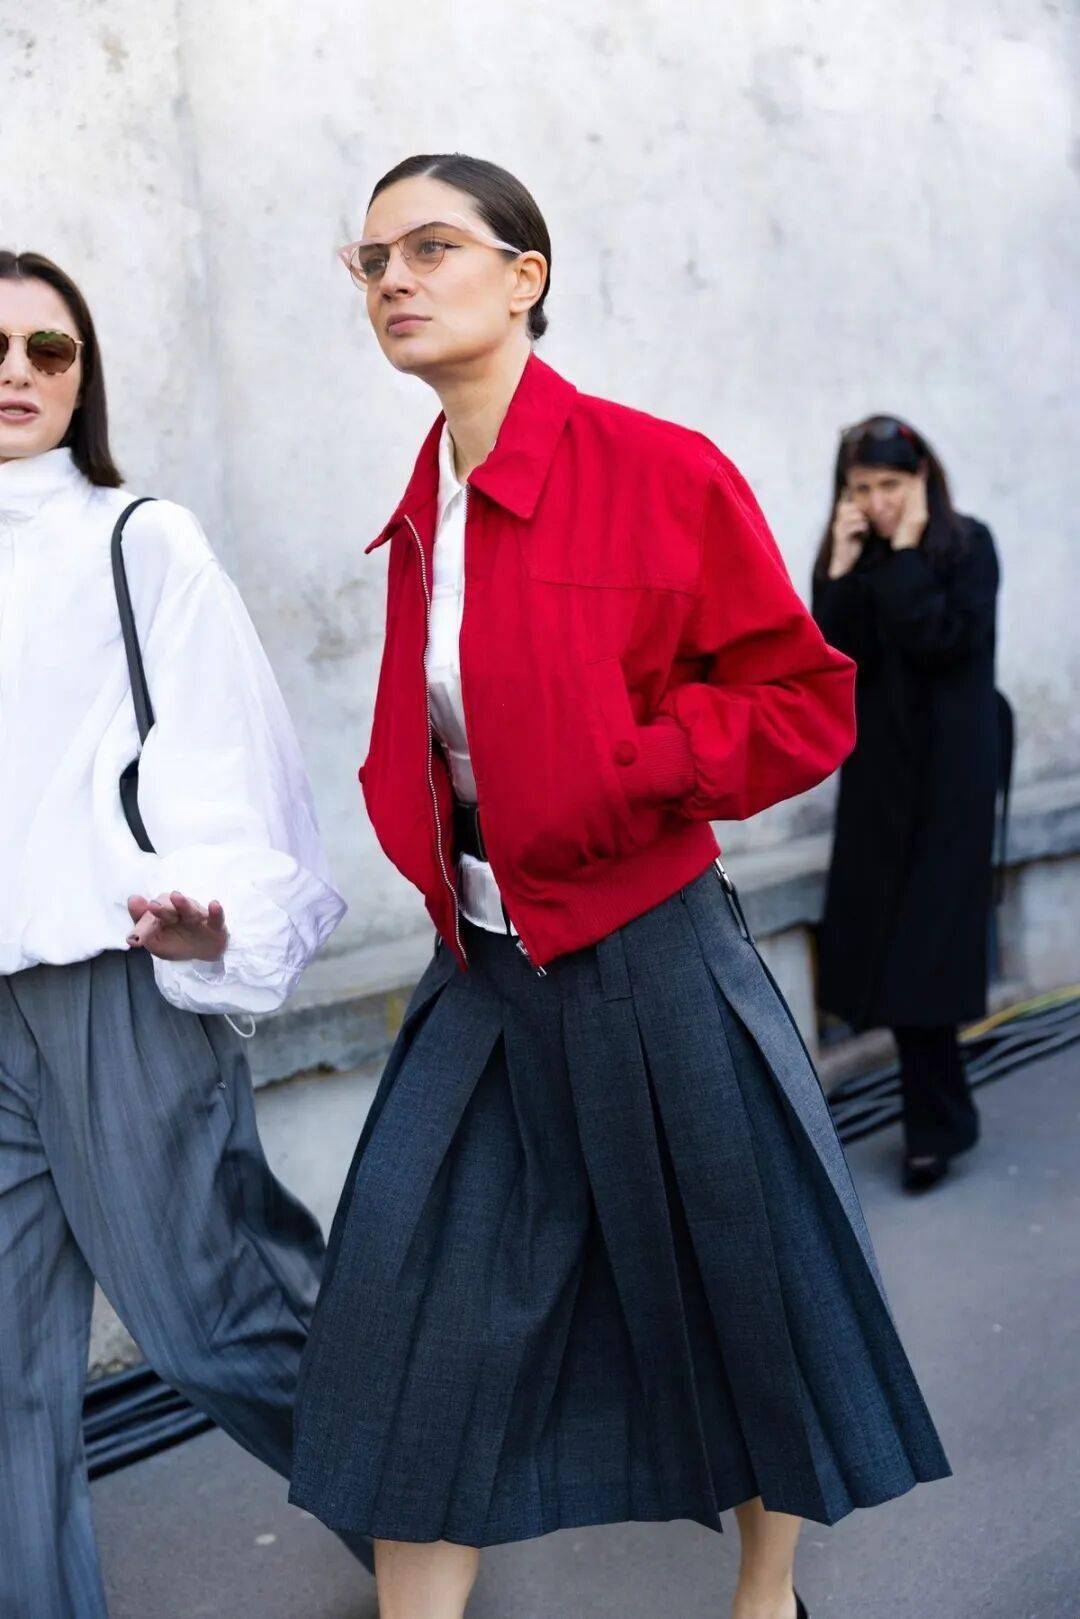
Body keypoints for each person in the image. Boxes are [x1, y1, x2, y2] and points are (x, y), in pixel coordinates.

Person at [289, 155, 951, 1619]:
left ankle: (765, 1597)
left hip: (650, 948)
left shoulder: (660, 469)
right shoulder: (426, 506)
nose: (394, 279)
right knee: (405, 1318)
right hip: (481, 967)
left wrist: (629, 765)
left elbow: (802, 700)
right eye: (371, 258)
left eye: (432, 246)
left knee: (745, 1290)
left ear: (525, 275)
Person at [0, 250, 351, 1619]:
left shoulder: (138, 538)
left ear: (83, 379)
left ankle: (423, 1520)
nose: (17, 371)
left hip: (114, 982)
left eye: (48, 349)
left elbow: (231, 746)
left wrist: (215, 916)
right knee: (6, 1370)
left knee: (216, 1321)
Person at [812, 417, 1000, 1191]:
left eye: (890, 485)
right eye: (861, 488)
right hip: (879, 784)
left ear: (922, 480)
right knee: (889, 951)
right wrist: (838, 569)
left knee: (928, 954)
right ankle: (940, 1117)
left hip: (952, 781)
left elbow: (942, 642)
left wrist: (907, 552)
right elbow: (827, 657)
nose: (877, 501)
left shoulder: (968, 546)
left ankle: (933, 1133)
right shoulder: (854, 553)